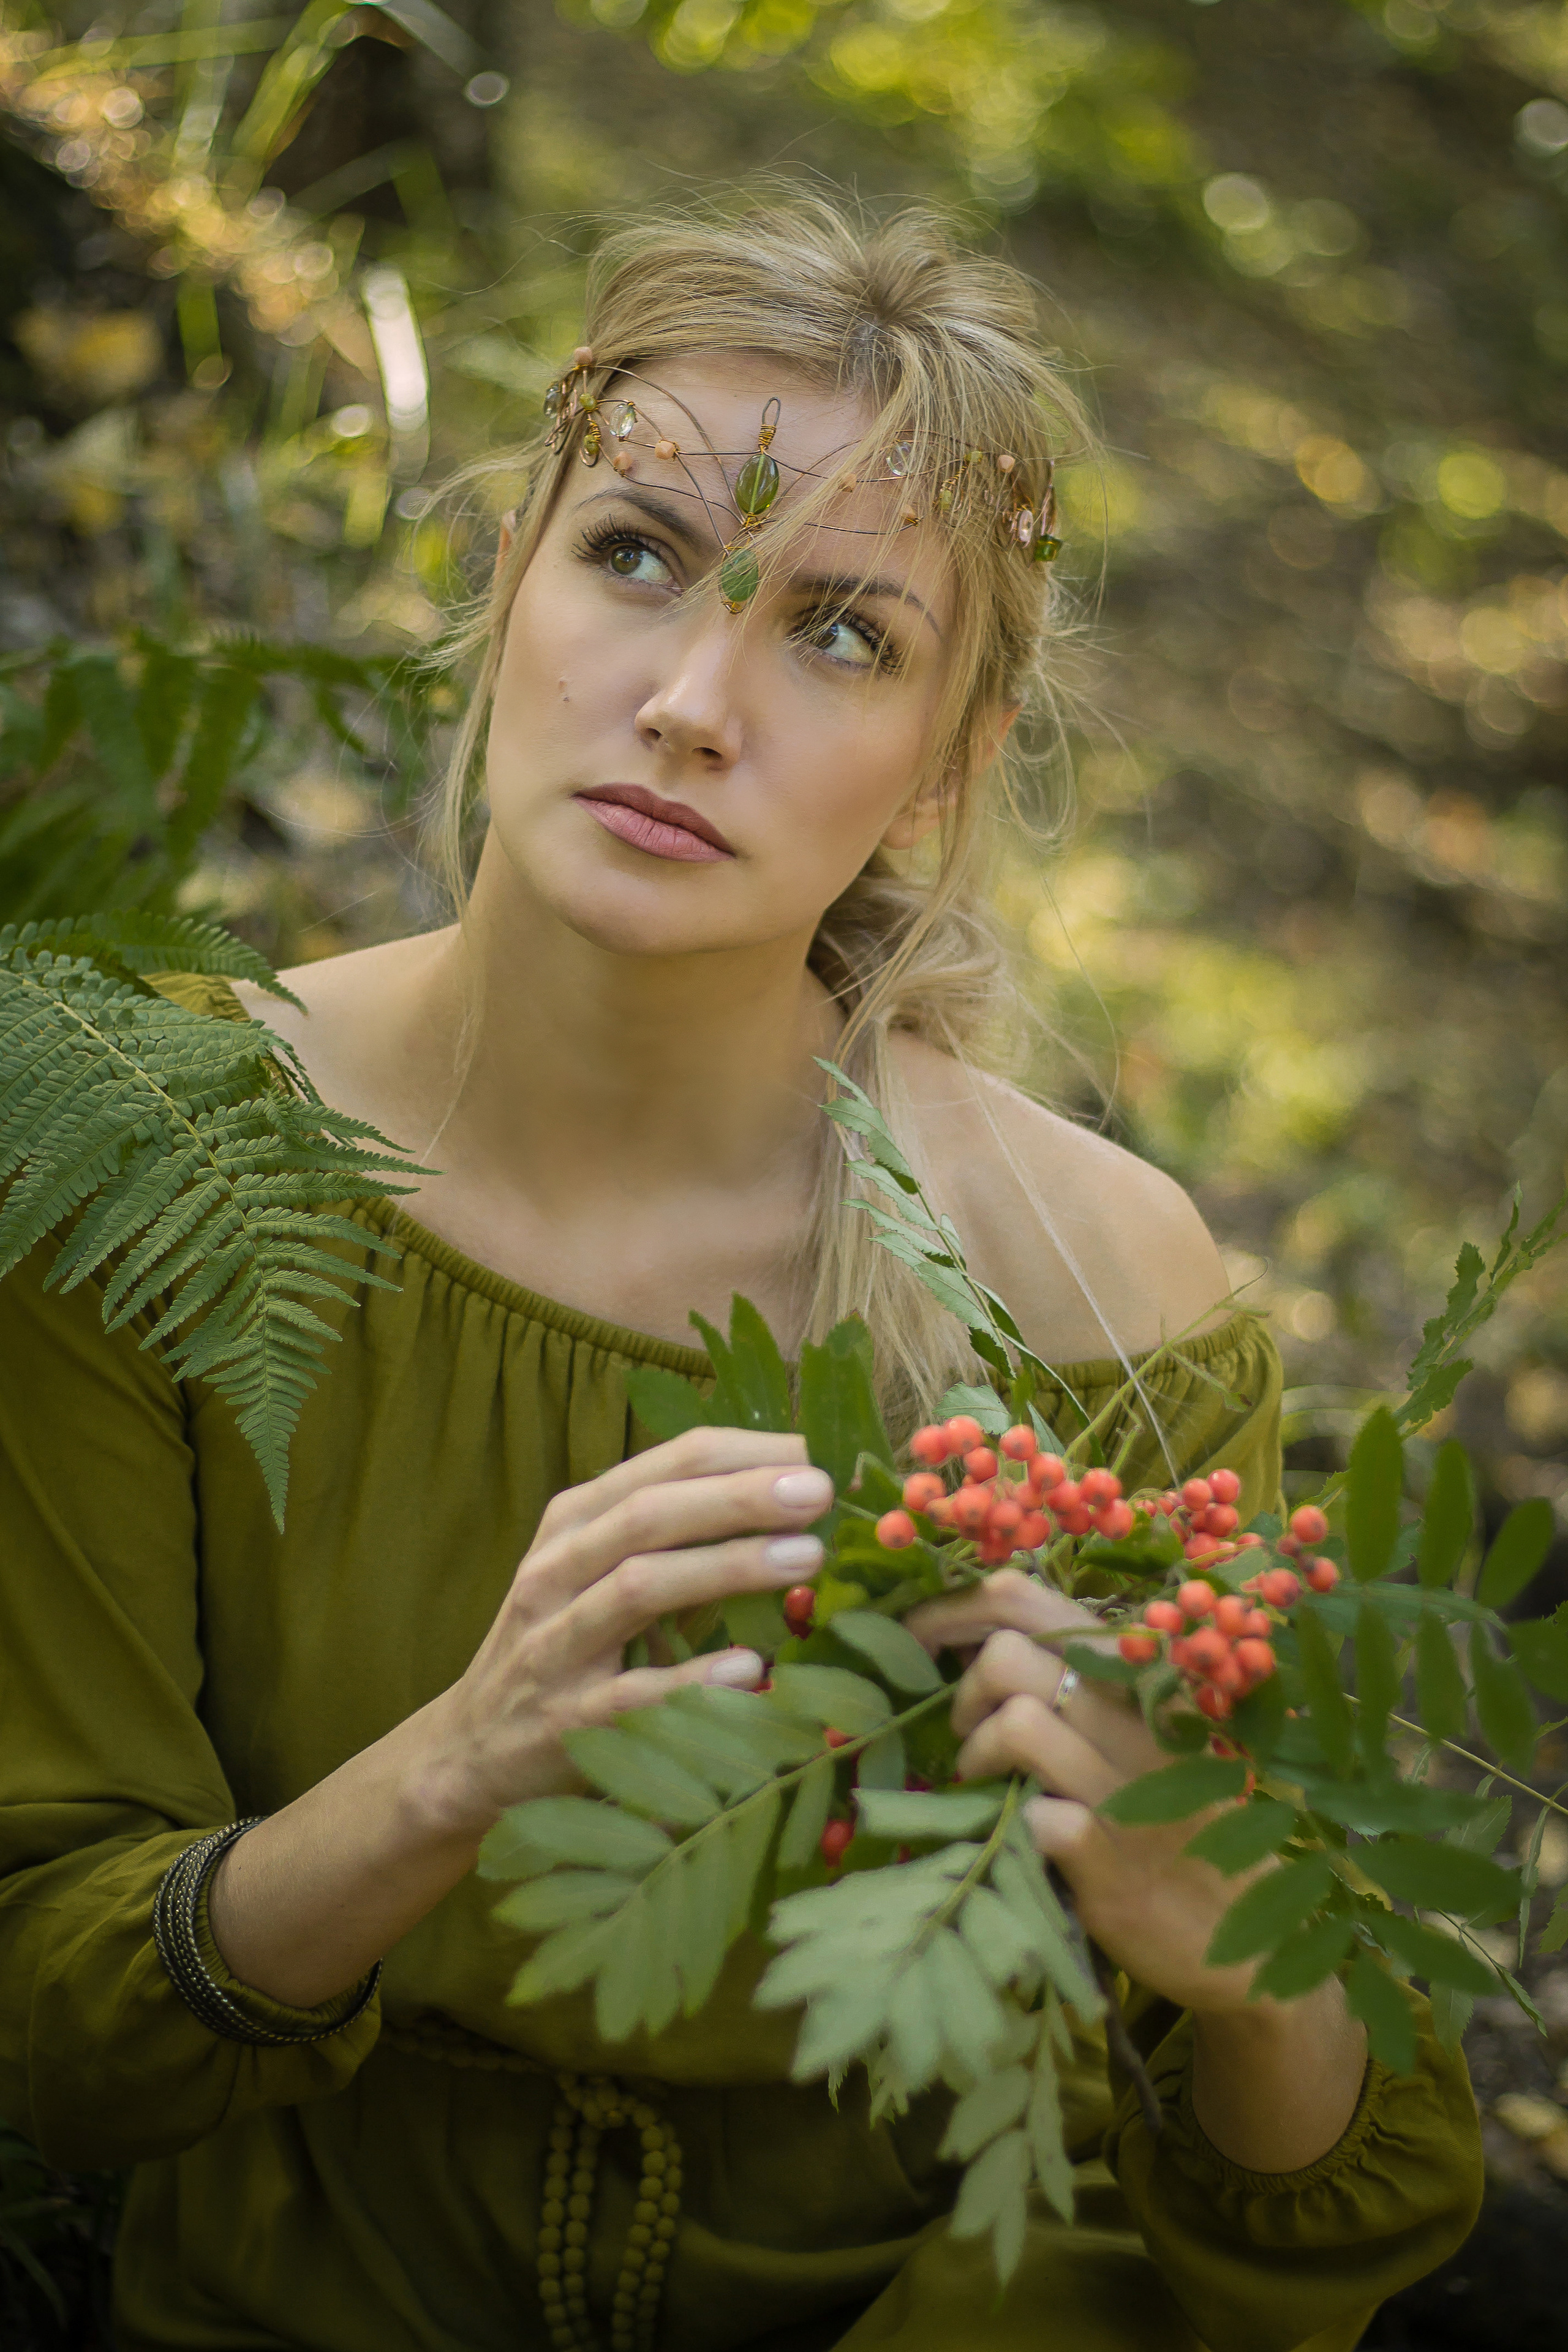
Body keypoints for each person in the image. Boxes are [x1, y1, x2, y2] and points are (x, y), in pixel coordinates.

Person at [0, 197, 1480, 2352]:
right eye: (635, 555)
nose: (693, 704)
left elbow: (1297, 2199)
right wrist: (448, 1771)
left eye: (844, 635)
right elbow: (58, 2022)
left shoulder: (1087, 1291)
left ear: (948, 765)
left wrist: (1248, 1962)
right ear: (508, 581)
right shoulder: (152, 1165)